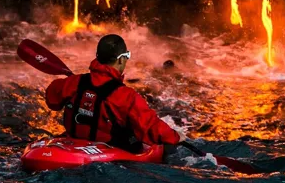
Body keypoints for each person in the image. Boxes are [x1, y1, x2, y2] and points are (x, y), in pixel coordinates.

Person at [45, 34, 185, 153]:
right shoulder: (126, 96)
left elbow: (51, 100)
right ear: (121, 59)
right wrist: (175, 137)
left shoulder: (73, 82)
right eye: (127, 56)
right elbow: (150, 127)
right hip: (108, 154)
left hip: (72, 145)